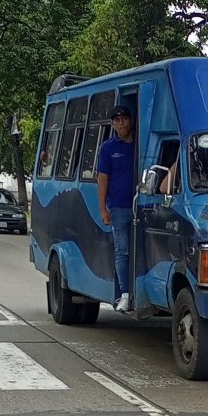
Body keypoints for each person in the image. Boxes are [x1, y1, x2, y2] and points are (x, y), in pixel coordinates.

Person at [97, 105, 135, 313]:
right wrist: (103, 209)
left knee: (138, 252)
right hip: (118, 207)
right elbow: (102, 179)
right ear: (112, 124)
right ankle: (124, 295)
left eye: (124, 119)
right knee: (123, 251)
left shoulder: (140, 144)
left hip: (142, 206)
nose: (121, 123)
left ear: (130, 121)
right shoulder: (108, 148)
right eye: (117, 120)